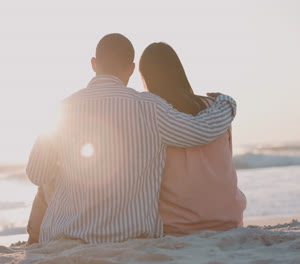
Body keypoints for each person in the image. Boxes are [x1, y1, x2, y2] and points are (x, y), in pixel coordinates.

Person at [26, 33, 237, 244]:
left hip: (66, 238)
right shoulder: (149, 106)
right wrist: (226, 104)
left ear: (94, 64)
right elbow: (200, 130)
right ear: (131, 68)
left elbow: (36, 174)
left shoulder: (62, 110)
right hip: (130, 238)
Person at [139, 42, 246, 235]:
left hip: (178, 227)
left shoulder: (154, 117)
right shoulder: (216, 107)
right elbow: (227, 158)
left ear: (146, 77)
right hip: (229, 219)